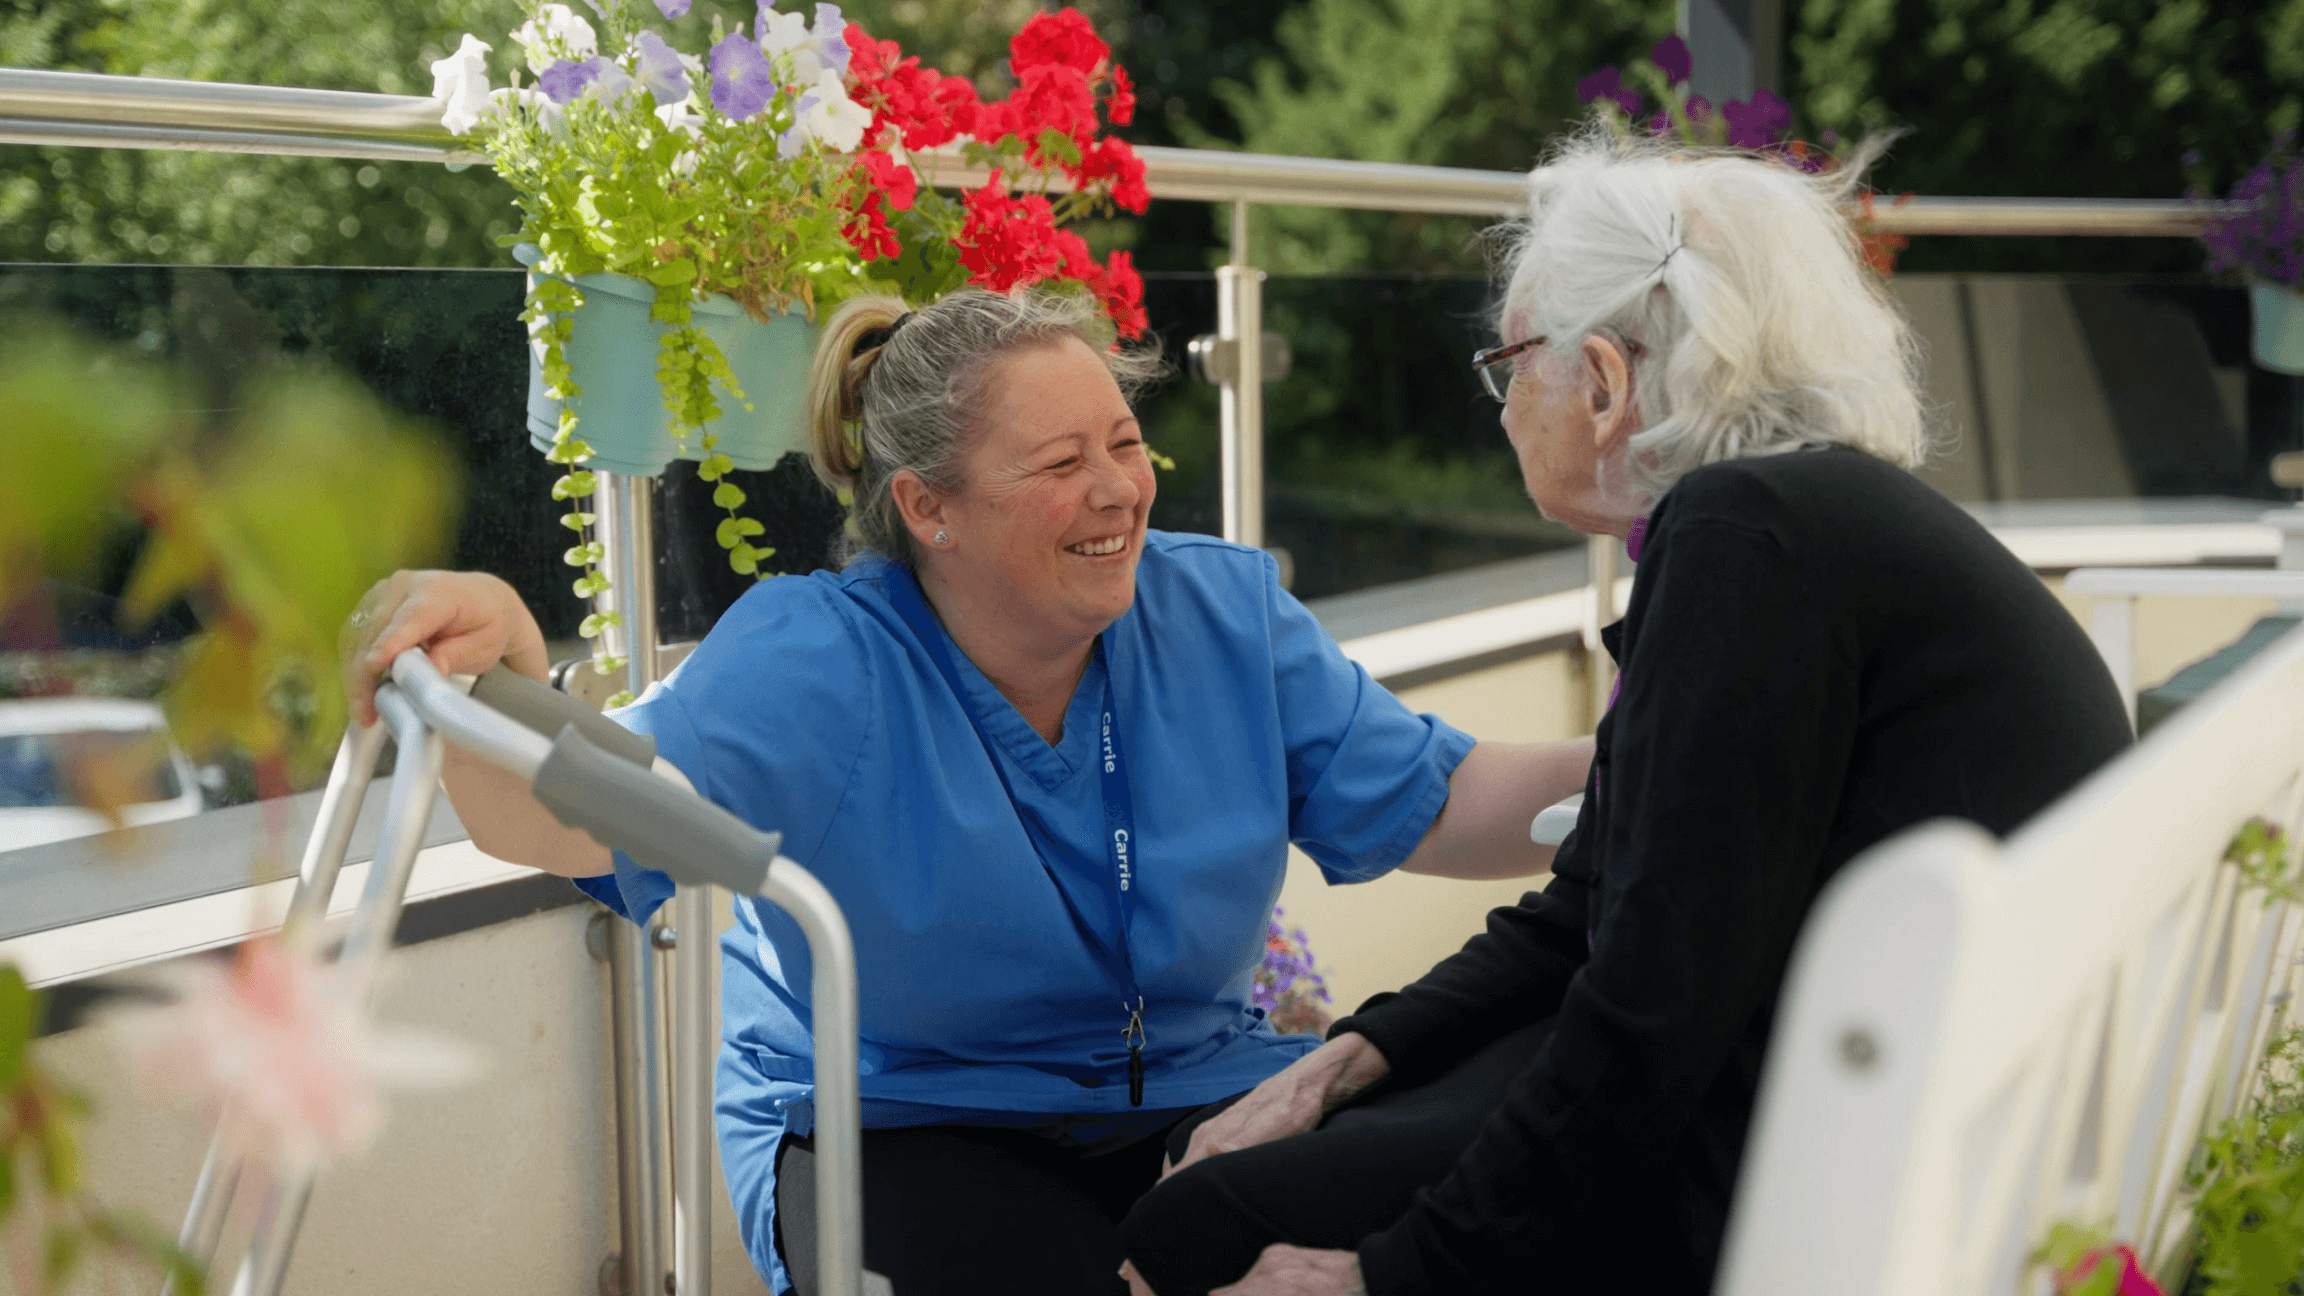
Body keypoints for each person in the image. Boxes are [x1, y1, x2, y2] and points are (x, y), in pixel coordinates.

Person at [341, 287, 1592, 1296]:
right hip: (899, 1121)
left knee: (1484, 1215)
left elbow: (1448, 799)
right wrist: (500, 674)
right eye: (1061, 462)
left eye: (1123, 444)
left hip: (1197, 1092)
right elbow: (569, 821)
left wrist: (1677, 755)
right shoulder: (818, 657)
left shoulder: (1218, 610)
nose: (1119, 490)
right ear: (926, 507)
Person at [1113, 129, 2134, 1296]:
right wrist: (1337, 1063)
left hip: (1831, 1166)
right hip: (1902, 1104)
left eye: (1509, 369)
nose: (1503, 414)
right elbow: (1595, 905)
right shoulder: (1801, 524)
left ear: (1601, 381)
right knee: (1292, 1157)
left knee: (1199, 1227)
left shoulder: (1746, 541)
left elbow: (1654, 1006)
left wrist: (1393, 1276)